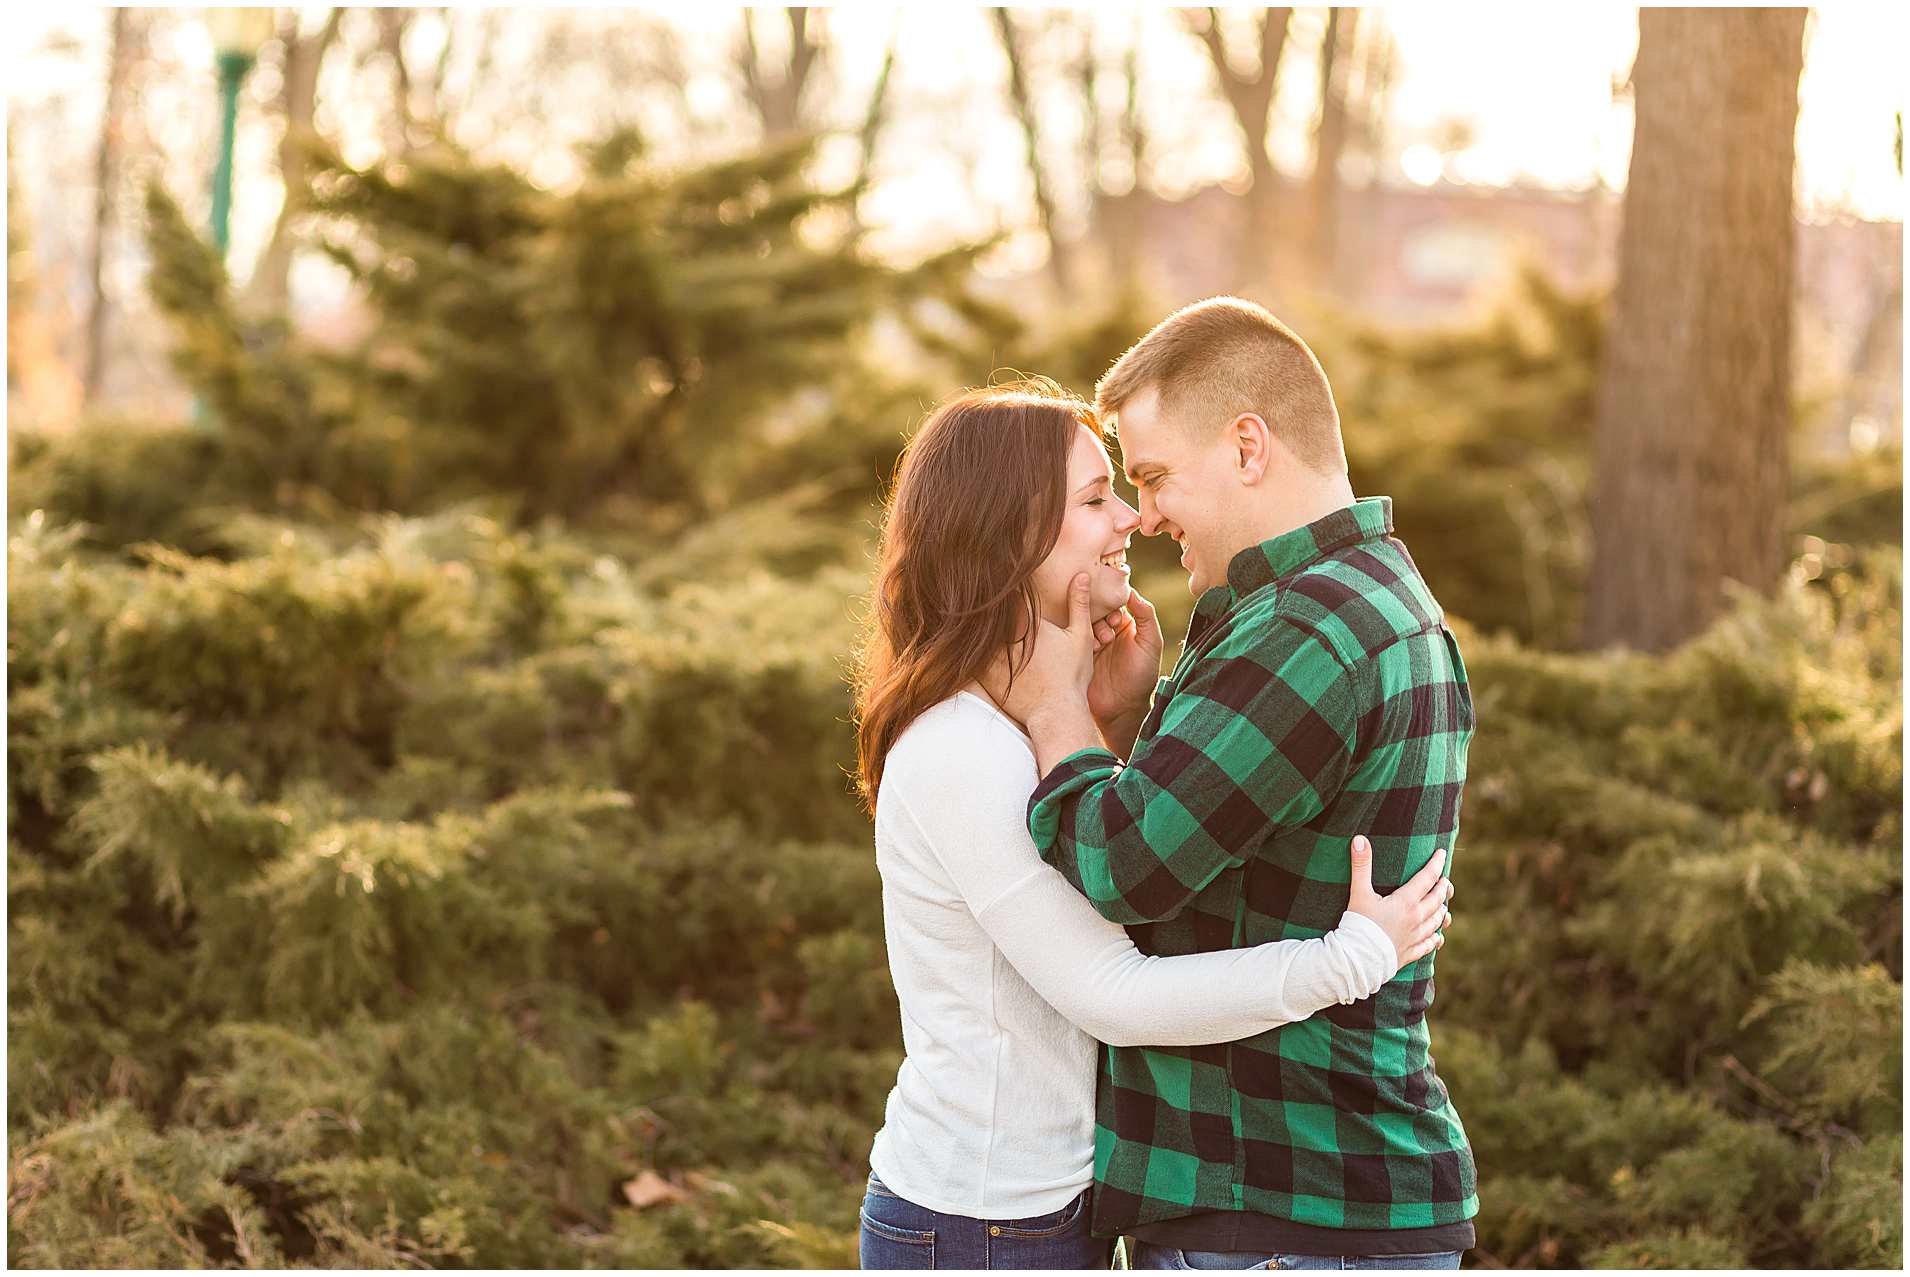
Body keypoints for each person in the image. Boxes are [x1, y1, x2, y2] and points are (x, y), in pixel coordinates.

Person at [849, 379, 1456, 1271]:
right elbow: (1116, 993)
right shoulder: (959, 747)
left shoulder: (1032, 729)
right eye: (1097, 498)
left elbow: (1138, 869)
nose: (1132, 518)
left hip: (1058, 1212)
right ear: (1009, 535)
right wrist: (1346, 959)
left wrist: (1112, 721)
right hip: (978, 1225)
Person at [999, 298, 1478, 1270]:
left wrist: (1054, 704)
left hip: (1280, 1211)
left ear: (1247, 446)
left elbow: (1126, 864)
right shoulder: (1357, 599)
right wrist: (1126, 721)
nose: (1137, 513)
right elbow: (1226, 843)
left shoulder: (1309, 629)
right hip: (1304, 1210)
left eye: (1152, 475)